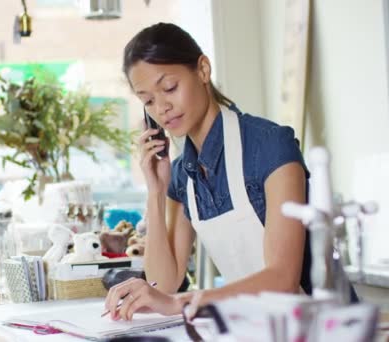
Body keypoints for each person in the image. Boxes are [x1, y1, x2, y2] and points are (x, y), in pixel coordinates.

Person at [104, 22, 327, 322]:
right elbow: (164, 283)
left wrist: (179, 302)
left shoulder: (272, 146)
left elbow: (283, 279)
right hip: (258, 328)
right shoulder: (183, 175)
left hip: (321, 328)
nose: (162, 108)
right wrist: (156, 192)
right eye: (148, 101)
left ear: (203, 70)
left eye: (169, 88)